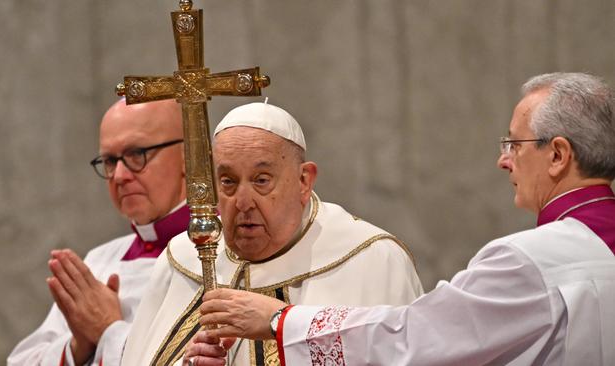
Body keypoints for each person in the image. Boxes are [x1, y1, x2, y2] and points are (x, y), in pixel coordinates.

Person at [198, 72, 615, 365]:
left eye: (514, 144)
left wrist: (277, 320)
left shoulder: (530, 262)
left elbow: (411, 340)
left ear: (558, 155)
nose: (503, 160)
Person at [120, 102, 423, 366]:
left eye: (261, 180)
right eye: (228, 182)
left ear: (304, 180)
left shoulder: (372, 261)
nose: (242, 202)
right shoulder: (183, 260)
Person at [8, 98, 190, 366]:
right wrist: (79, 343)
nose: (119, 176)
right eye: (109, 160)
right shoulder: (99, 261)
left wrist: (108, 329)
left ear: (190, 156)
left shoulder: (225, 256)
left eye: (137, 154)